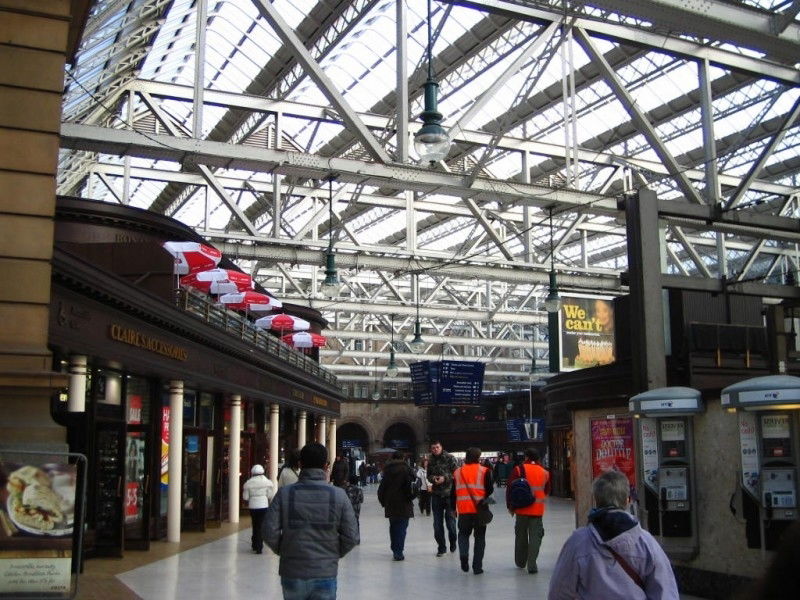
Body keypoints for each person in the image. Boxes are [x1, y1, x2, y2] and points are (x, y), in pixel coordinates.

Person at [548, 470, 679, 600]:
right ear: (627, 501)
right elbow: (665, 592)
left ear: (596, 500)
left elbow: (559, 591)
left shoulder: (578, 542)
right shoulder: (646, 542)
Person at [264, 443, 359, 600]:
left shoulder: (284, 494)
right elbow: (351, 536)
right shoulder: (339, 495)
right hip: (325, 571)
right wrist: (332, 554)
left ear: (301, 464)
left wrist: (285, 550)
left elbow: (269, 531)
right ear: (325, 465)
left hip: (292, 570)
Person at [507, 447, 550, 574]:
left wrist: (510, 506)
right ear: (538, 458)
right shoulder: (544, 472)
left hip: (521, 509)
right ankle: (532, 564)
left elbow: (510, 488)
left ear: (526, 457)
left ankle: (520, 561)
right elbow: (547, 490)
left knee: (521, 536)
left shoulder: (518, 469)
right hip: (537, 510)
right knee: (536, 537)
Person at [454, 447, 494, 575]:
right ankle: (477, 567)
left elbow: (452, 492)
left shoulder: (457, 472)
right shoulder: (485, 471)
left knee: (463, 534)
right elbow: (490, 490)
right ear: (478, 457)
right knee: (480, 537)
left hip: (463, 509)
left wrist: (451, 508)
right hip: (479, 509)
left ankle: (464, 557)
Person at [377, 450, 414, 561]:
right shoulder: (406, 469)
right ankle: (398, 552)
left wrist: (383, 501)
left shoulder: (387, 470)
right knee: (402, 528)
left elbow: (381, 489)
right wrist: (411, 497)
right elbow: (410, 486)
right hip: (404, 503)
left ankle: (395, 548)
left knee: (393, 526)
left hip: (390, 503)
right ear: (403, 458)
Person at [427, 440, 458, 556]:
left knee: (451, 523)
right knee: (437, 524)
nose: (435, 449)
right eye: (433, 448)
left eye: (437, 447)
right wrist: (433, 478)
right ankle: (441, 547)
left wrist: (445, 478)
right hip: (436, 495)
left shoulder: (450, 458)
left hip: (449, 495)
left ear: (441, 447)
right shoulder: (430, 460)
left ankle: (453, 541)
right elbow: (428, 475)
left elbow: (456, 473)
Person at [242, 464, 276, 554]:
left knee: (255, 524)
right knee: (261, 525)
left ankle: (255, 543)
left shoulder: (248, 484)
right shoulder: (267, 483)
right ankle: (259, 545)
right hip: (263, 505)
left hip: (253, 506)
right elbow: (270, 495)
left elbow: (245, 497)